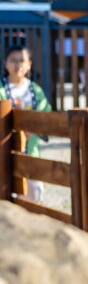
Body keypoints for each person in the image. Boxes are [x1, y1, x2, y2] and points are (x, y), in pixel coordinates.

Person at [0, 46, 51, 203]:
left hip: (30, 151)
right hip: (3, 153)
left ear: (29, 64)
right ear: (5, 64)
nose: (17, 65)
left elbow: (46, 116)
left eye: (21, 60)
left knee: (34, 194)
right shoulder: (1, 89)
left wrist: (34, 128)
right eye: (13, 60)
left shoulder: (36, 91)